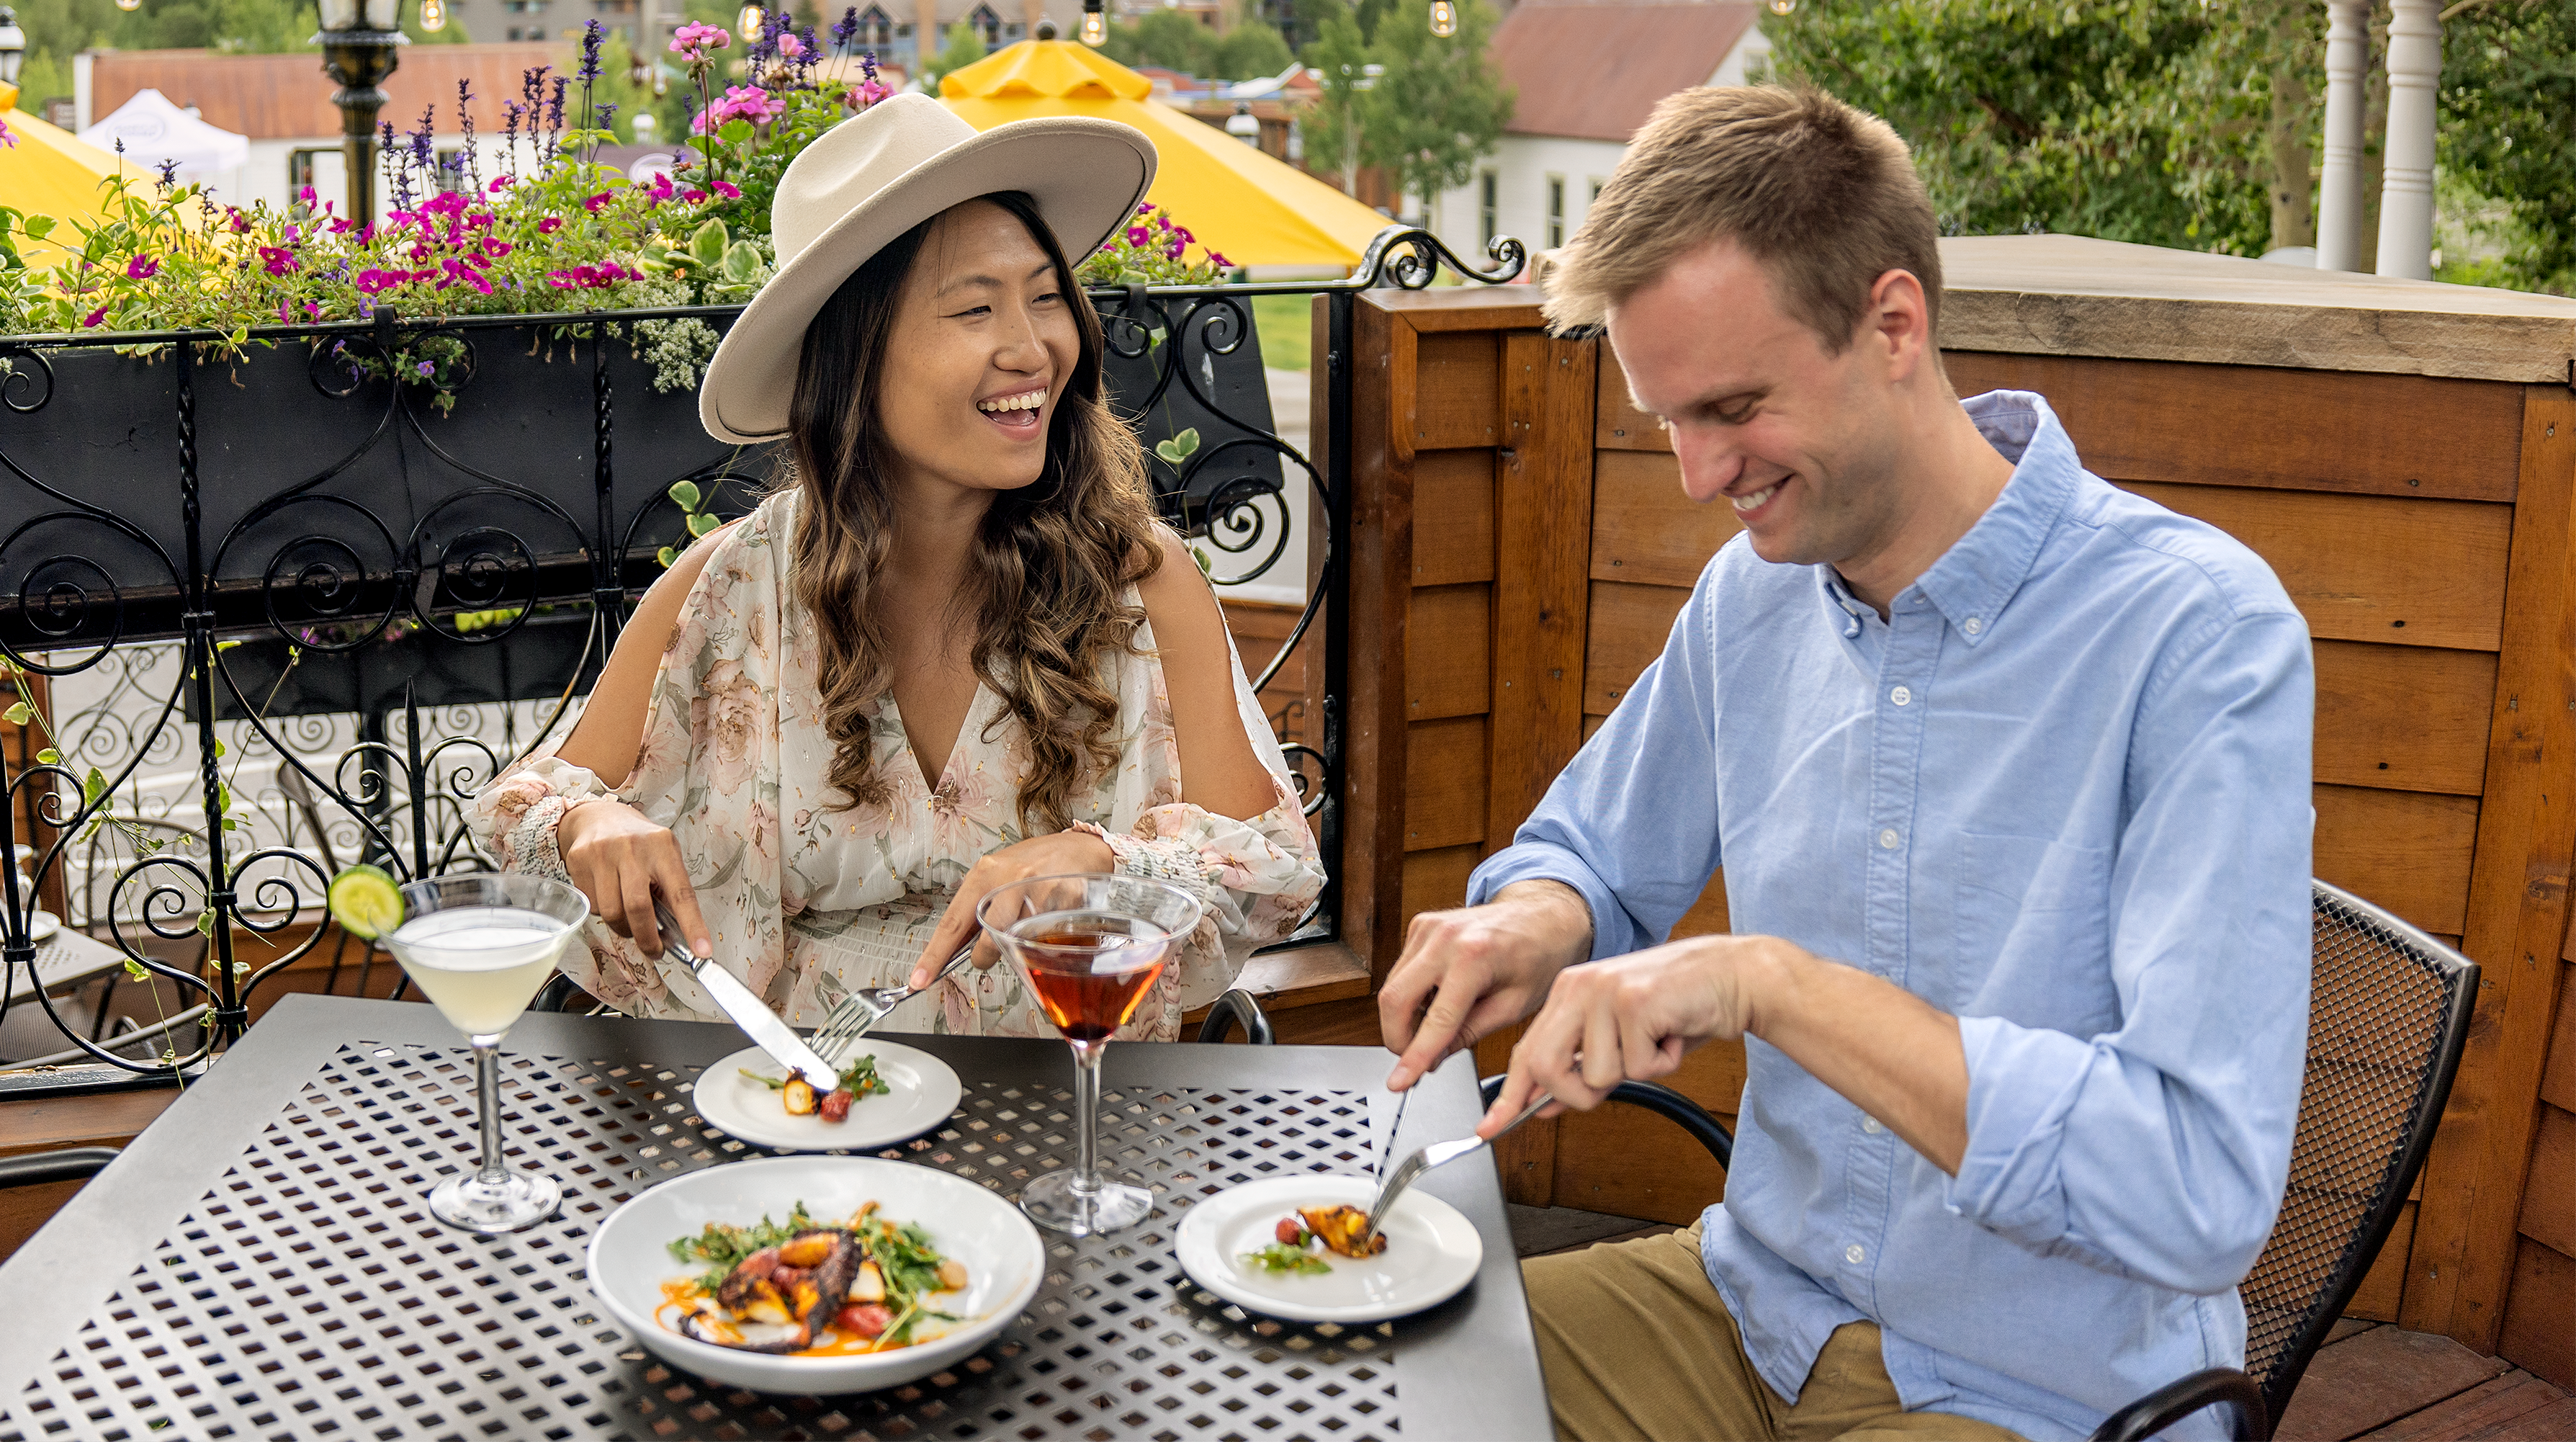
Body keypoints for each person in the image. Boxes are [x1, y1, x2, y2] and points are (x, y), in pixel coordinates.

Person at [1378, 84, 2312, 1442]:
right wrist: (1534, 920)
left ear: (1892, 324)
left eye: (1734, 407)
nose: (1700, 474)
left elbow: (2193, 1186)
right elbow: (1593, 851)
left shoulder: (2199, 635)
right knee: (1348, 1377)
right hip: (1753, 1305)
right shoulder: (1752, 595)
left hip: (2035, 1392)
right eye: (1668, 422)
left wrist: (1773, 984)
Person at [470, 89, 1323, 1037]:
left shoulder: (1140, 582)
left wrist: (1108, 864)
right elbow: (519, 807)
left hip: (1067, 1114)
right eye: (974, 308)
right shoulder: (732, 585)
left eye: (1046, 297)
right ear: (855, 359)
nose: (1033, 346)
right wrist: (589, 824)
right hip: (790, 1111)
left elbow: (1277, 869)